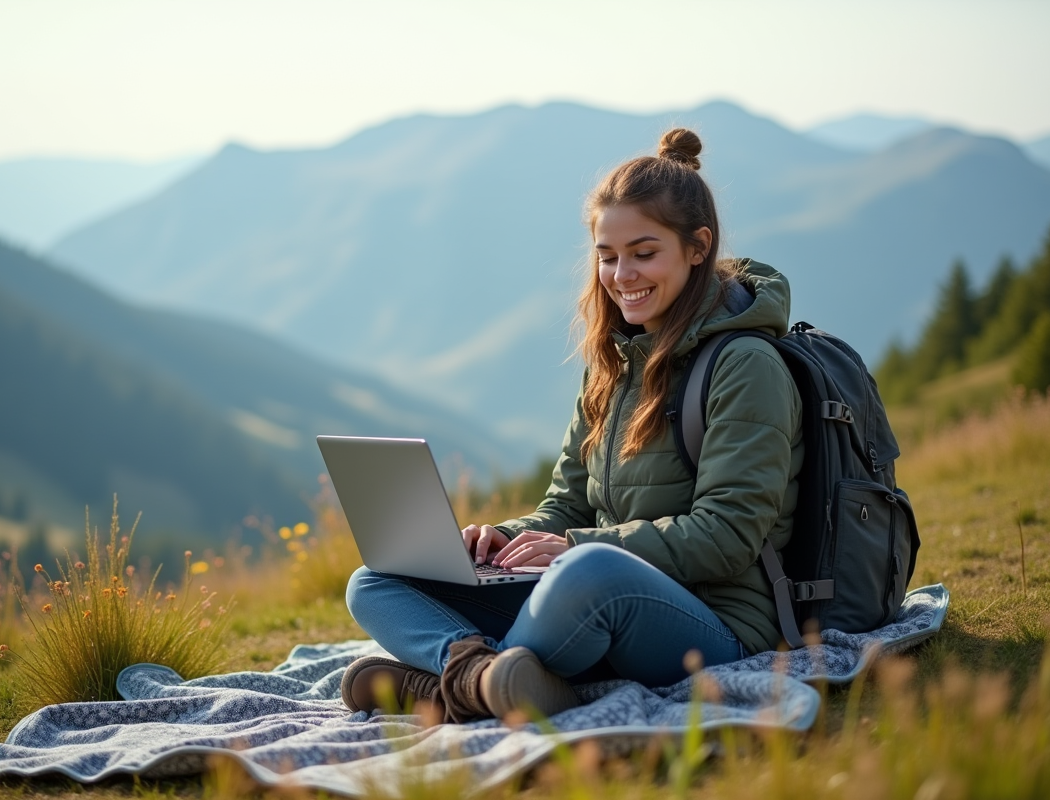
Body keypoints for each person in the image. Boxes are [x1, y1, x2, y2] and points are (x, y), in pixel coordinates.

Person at [341, 128, 804, 723]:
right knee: (377, 580)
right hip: (598, 590)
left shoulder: (745, 364)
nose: (622, 275)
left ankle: (446, 682)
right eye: (607, 256)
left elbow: (728, 534)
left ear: (697, 247)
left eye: (644, 252)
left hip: (718, 622)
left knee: (589, 573)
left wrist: (575, 549)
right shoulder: (613, 364)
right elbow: (566, 505)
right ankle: (486, 678)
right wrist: (504, 540)